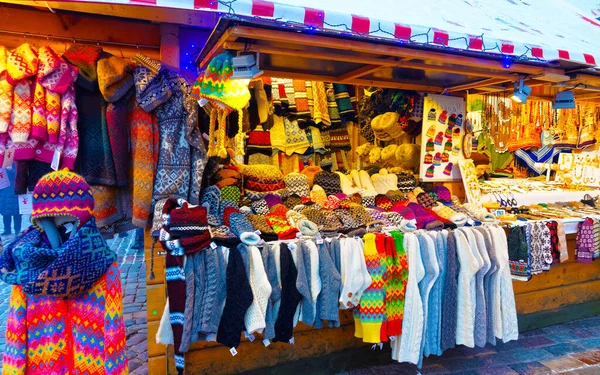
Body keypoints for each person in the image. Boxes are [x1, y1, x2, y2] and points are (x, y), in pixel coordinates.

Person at [0, 167, 22, 236]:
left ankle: (17, 230)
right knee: (5, 213)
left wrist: (9, 169)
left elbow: (19, 175)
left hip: (15, 190)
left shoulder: (15, 163)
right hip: (4, 191)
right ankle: (7, 229)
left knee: (17, 213)